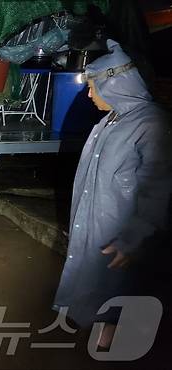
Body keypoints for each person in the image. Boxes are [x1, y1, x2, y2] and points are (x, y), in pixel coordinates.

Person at [53, 40, 172, 348]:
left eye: (94, 87)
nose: (89, 95)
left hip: (124, 234)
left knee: (122, 299)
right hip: (99, 227)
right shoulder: (110, 121)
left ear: (117, 84)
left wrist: (135, 237)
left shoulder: (151, 124)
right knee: (93, 296)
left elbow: (158, 187)